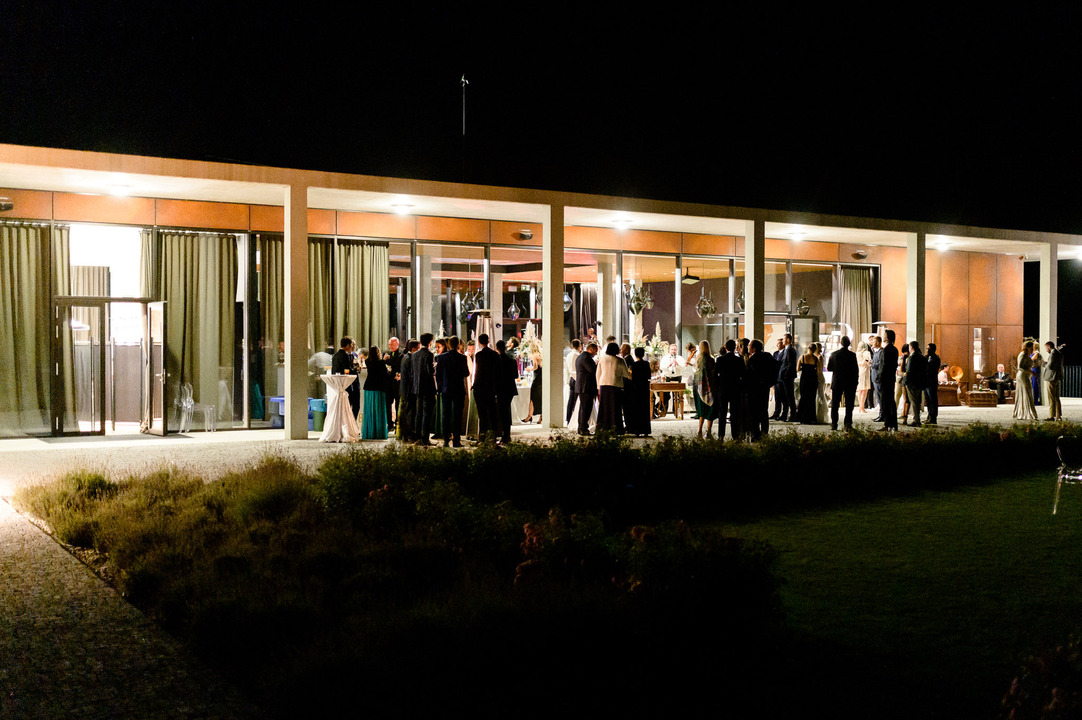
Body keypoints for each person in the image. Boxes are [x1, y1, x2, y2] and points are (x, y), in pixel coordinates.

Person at [435, 336, 469, 447]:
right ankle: (456, 440)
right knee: (457, 416)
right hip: (458, 389)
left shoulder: (441, 358)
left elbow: (438, 374)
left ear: (448, 345)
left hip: (446, 389)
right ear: (458, 344)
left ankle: (446, 439)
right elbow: (466, 373)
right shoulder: (462, 358)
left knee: (446, 414)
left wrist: (440, 387)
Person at [745, 339, 778, 441]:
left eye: (749, 346)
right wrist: (771, 382)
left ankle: (756, 434)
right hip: (764, 389)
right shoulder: (767, 356)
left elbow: (748, 376)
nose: (748, 347)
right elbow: (776, 367)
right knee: (763, 411)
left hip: (753, 390)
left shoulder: (751, 360)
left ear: (753, 348)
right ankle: (764, 433)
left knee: (753, 413)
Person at [471, 333, 500, 442]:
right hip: (491, 387)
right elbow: (497, 373)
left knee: (482, 412)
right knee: (492, 411)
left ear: (479, 342)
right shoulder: (495, 355)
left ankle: (483, 434)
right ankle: (493, 434)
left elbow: (478, 372)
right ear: (488, 341)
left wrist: (474, 385)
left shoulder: (479, 355)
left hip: (480, 386)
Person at [714, 339, 744, 441]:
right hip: (735, 389)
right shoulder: (739, 360)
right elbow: (742, 375)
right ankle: (735, 435)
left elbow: (715, 375)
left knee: (722, 413)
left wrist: (718, 386)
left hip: (723, 389)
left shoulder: (720, 360)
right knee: (734, 413)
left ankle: (721, 435)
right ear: (734, 348)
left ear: (726, 348)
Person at [827, 336, 858, 431]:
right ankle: (847, 423)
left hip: (837, 381)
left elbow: (829, 368)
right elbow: (855, 370)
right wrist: (856, 381)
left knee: (835, 404)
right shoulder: (852, 355)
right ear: (849, 344)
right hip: (849, 382)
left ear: (841, 343)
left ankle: (834, 423)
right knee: (849, 404)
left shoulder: (834, 354)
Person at [596, 342, 627, 433]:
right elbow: (625, 373)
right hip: (615, 385)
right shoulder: (620, 360)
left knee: (604, 406)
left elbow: (598, 374)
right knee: (615, 407)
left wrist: (598, 387)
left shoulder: (602, 359)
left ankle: (603, 426)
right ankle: (616, 427)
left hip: (604, 384)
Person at [412, 333, 436, 445]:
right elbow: (430, 371)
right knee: (427, 412)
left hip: (417, 386)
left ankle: (417, 436)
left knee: (419, 412)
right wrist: (435, 368)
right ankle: (425, 438)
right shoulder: (429, 354)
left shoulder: (415, 355)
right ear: (430, 342)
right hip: (427, 387)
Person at [361, 345, 390, 440]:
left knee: (369, 410)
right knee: (379, 410)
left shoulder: (367, 361)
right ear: (378, 353)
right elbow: (385, 375)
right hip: (378, 388)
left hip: (369, 387)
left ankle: (369, 432)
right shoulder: (381, 362)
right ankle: (379, 432)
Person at [331, 336, 360, 419]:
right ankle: (351, 424)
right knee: (353, 405)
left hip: (339, 385)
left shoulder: (335, 356)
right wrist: (356, 369)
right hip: (348, 385)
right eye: (351, 344)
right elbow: (348, 371)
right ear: (347, 345)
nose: (352, 347)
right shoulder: (345, 356)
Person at [496, 340, 519, 443]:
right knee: (507, 410)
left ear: (497, 348)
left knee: (502, 412)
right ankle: (507, 434)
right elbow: (516, 375)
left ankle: (504, 435)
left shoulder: (497, 361)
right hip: (510, 388)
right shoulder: (511, 360)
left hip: (501, 388)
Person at [626, 347, 652, 437]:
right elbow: (649, 375)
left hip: (636, 388)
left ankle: (637, 430)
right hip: (645, 387)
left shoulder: (634, 365)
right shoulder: (646, 364)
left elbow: (632, 377)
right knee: (645, 409)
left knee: (637, 409)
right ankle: (646, 430)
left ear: (636, 354)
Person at [693, 341, 717, 439]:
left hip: (699, 388)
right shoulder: (711, 360)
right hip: (710, 388)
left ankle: (699, 431)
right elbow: (713, 374)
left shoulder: (698, 359)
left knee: (702, 410)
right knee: (710, 409)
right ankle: (709, 431)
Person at [575, 342, 599, 435]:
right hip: (586, 386)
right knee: (586, 408)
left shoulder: (580, 357)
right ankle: (582, 428)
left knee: (584, 408)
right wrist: (597, 365)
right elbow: (592, 370)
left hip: (583, 386)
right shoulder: (586, 358)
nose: (595, 353)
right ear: (591, 349)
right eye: (595, 351)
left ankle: (582, 427)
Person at [397, 339, 419, 441]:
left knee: (406, 412)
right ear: (414, 349)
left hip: (404, 389)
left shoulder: (405, 358)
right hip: (409, 390)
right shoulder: (410, 359)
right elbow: (411, 376)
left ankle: (405, 434)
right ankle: (409, 434)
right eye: (418, 349)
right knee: (410, 412)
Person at [878, 329, 899, 431]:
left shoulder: (886, 350)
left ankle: (887, 424)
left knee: (885, 401)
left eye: (884, 334)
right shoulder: (894, 349)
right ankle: (893, 423)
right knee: (891, 400)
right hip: (891, 378)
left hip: (885, 378)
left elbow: (883, 365)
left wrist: (880, 377)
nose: (883, 336)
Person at [1013, 341, 1038, 421]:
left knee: (1027, 393)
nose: (1032, 349)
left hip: (1026, 375)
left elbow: (1029, 364)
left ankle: (1027, 413)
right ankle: (1025, 413)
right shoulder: (1022, 355)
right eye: (1031, 348)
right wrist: (1030, 371)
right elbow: (1020, 367)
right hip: (1022, 376)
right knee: (1026, 393)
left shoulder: (1026, 355)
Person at [904, 341, 926, 428]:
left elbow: (909, 372)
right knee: (918, 401)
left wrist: (905, 379)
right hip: (920, 383)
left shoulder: (911, 358)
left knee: (913, 401)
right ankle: (917, 419)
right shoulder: (922, 358)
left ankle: (916, 420)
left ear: (911, 348)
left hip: (912, 383)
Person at [777, 333, 798, 422]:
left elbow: (790, 364)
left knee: (789, 396)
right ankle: (785, 414)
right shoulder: (786, 349)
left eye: (784, 339)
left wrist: (785, 374)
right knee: (785, 396)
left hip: (787, 377)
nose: (782, 341)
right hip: (783, 377)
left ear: (788, 340)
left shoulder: (790, 350)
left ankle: (793, 415)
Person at [384, 337, 403, 430]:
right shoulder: (387, 354)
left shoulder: (401, 354)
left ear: (397, 344)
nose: (390, 346)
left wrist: (387, 361)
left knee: (397, 404)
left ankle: (398, 423)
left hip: (397, 383)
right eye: (389, 344)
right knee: (388, 403)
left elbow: (396, 364)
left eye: (392, 344)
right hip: (388, 383)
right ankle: (389, 423)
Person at [796, 342, 819, 424]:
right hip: (813, 380)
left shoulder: (802, 357)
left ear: (808, 348)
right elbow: (818, 370)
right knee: (811, 398)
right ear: (815, 350)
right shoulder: (816, 359)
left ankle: (802, 417)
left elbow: (797, 369)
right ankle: (811, 417)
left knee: (803, 397)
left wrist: (804, 368)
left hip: (804, 379)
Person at [1044, 341, 1064, 421]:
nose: (1046, 350)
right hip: (1057, 377)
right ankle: (1058, 415)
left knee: (1051, 398)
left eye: (1046, 348)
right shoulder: (1059, 353)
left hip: (1051, 378)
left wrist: (1043, 364)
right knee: (1057, 397)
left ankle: (1051, 415)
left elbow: (1050, 366)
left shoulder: (1052, 354)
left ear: (1049, 347)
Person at [522, 349, 542, 424]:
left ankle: (529, 416)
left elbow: (535, 367)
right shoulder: (541, 356)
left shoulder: (534, 355)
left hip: (537, 380)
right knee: (540, 398)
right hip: (541, 379)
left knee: (532, 398)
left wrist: (529, 369)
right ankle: (540, 417)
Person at [565, 339, 581, 425]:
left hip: (571, 378)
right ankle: (573, 419)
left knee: (571, 400)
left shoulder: (568, 355)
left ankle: (568, 418)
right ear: (579, 346)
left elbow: (567, 369)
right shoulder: (577, 355)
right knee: (576, 400)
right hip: (576, 378)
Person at [924, 342, 940, 425]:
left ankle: (933, 417)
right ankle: (929, 415)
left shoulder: (936, 358)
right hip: (926, 382)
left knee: (933, 399)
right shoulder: (926, 357)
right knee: (928, 400)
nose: (927, 350)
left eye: (928, 349)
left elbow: (932, 369)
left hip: (932, 382)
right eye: (927, 348)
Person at [813, 343, 829, 425]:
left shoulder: (819, 357)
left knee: (820, 395)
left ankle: (820, 415)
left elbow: (819, 369)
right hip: (818, 377)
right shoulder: (814, 356)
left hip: (819, 377)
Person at [870, 335, 884, 418]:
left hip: (878, 377)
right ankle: (880, 414)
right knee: (878, 397)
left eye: (874, 342)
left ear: (878, 343)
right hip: (874, 377)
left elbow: (880, 364)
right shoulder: (875, 352)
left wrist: (873, 364)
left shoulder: (881, 352)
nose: (873, 344)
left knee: (880, 397)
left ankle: (882, 414)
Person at [896, 342, 911, 425]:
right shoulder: (907, 358)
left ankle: (904, 416)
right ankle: (905, 417)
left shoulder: (904, 358)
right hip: (905, 380)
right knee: (906, 400)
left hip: (903, 380)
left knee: (902, 398)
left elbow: (901, 370)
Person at [856, 341, 872, 413]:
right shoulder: (867, 353)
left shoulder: (857, 353)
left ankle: (860, 406)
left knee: (860, 390)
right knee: (865, 390)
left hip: (859, 371)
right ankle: (862, 407)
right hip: (865, 371)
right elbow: (868, 361)